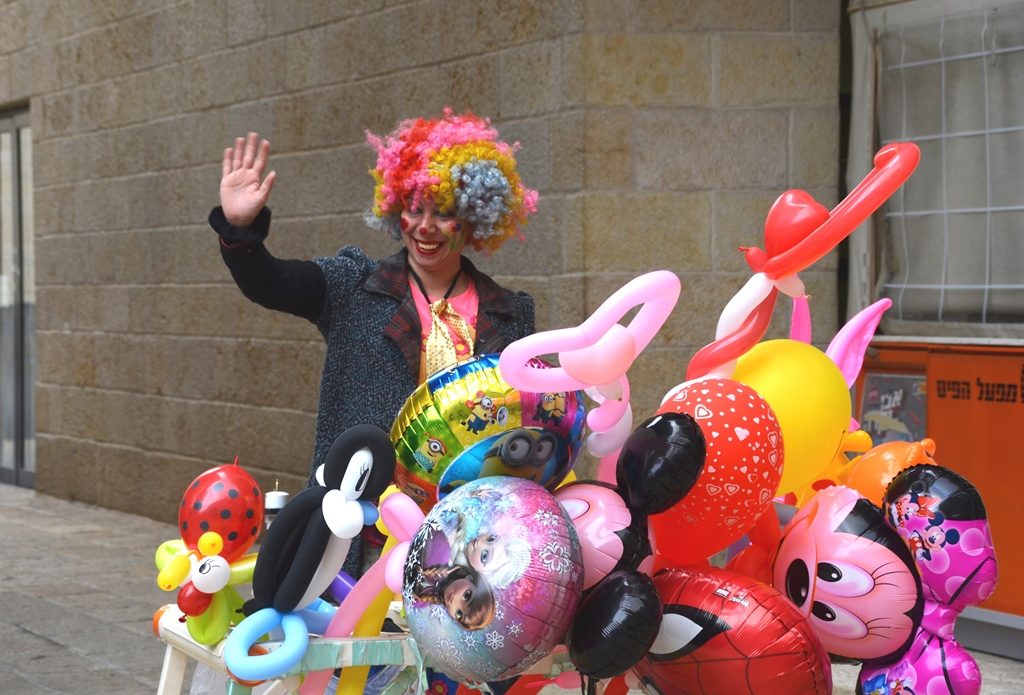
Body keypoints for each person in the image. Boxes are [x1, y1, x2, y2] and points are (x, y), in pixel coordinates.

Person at [209, 110, 539, 575]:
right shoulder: (353, 286)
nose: (424, 226)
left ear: (471, 219)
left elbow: (532, 419)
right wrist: (239, 233)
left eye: (443, 212)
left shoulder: (510, 312)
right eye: (413, 208)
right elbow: (270, 282)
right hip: (364, 530)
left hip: (472, 535)